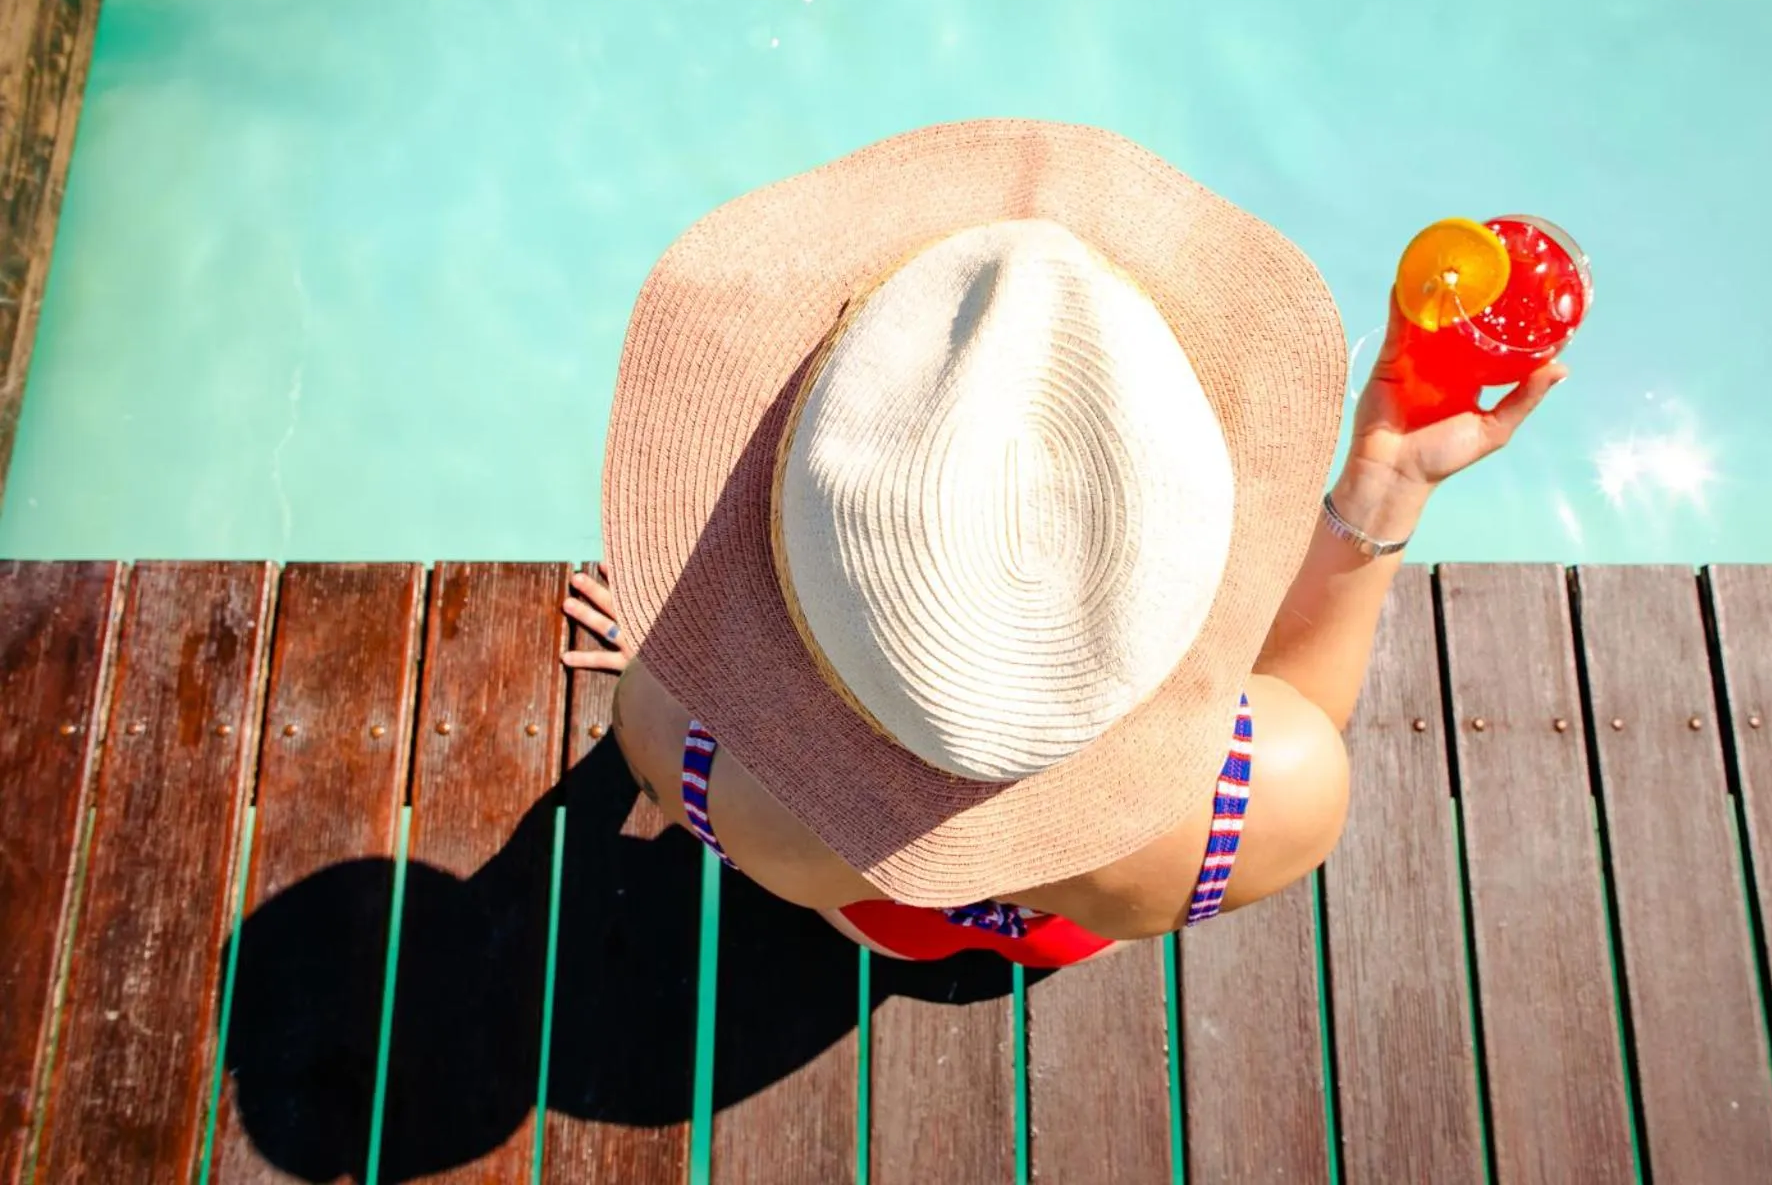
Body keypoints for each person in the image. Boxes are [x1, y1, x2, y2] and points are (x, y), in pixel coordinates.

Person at [563, 121, 1565, 968]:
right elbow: (1295, 705)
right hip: (1124, 887)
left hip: (865, 905)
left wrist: (690, 643)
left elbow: (670, 718)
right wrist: (1386, 485)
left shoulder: (699, 754)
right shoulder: (1281, 796)